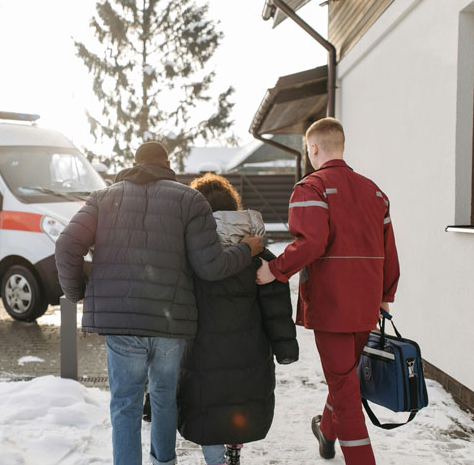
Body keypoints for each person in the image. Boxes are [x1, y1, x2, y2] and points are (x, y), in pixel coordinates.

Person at [55, 142, 264, 465]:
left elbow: (67, 244)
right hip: (170, 323)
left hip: (122, 325)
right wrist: (247, 250)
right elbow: (210, 266)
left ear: (134, 163)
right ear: (167, 164)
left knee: (125, 404)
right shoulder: (189, 200)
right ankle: (163, 462)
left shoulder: (103, 198)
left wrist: (77, 291)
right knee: (165, 399)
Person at [256, 118, 400, 465]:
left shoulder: (311, 188)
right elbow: (390, 252)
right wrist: (385, 295)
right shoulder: (375, 192)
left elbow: (312, 242)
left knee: (346, 392)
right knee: (345, 380)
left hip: (332, 308)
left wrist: (273, 271)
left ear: (314, 148)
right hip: (366, 305)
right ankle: (326, 431)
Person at [177, 173, 299, 465]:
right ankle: (234, 449)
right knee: (239, 404)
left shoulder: (191, 256)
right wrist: (285, 350)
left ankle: (218, 458)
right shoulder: (261, 256)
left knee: (208, 408)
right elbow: (276, 308)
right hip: (250, 351)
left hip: (202, 353)